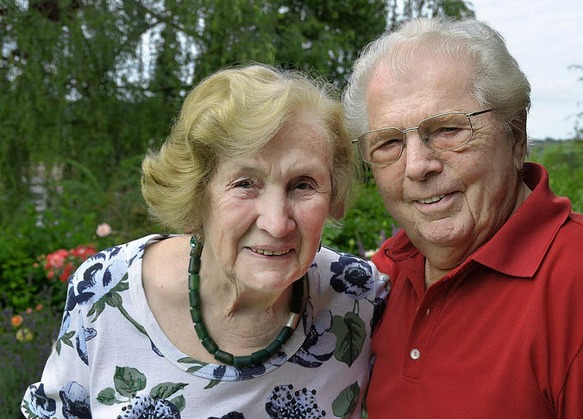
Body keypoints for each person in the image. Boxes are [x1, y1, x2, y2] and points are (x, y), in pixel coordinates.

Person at [22, 64, 388, 418]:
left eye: (303, 185)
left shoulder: (358, 296)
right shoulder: (106, 291)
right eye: (245, 183)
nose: (277, 223)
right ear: (198, 194)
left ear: (332, 196)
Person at [343, 16, 583, 418]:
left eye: (448, 129)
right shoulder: (379, 280)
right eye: (389, 142)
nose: (416, 165)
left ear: (515, 136)